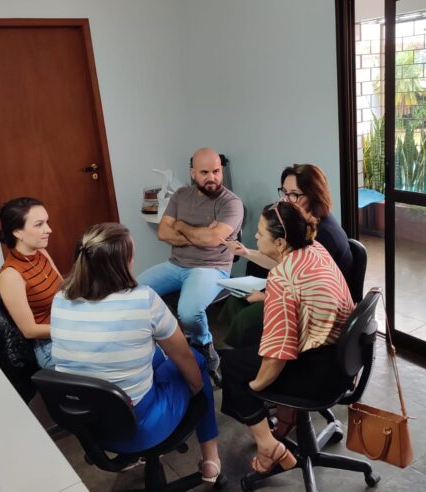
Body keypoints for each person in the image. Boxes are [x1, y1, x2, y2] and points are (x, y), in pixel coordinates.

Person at [50, 223, 222, 481]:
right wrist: (197, 394)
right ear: (122, 262)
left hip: (89, 426)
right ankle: (211, 457)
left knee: (152, 353)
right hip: (139, 428)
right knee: (195, 359)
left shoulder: (61, 296)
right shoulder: (143, 299)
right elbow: (183, 356)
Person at [219, 202, 354, 474]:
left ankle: (268, 446)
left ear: (280, 242)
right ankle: (276, 430)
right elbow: (281, 262)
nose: (255, 237)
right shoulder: (313, 249)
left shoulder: (282, 280)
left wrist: (255, 387)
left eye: (259, 233)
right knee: (250, 337)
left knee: (233, 368)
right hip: (342, 358)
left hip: (319, 375)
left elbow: (277, 358)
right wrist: (249, 253)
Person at [137, 147, 244, 383]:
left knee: (188, 312)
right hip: (175, 265)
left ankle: (205, 346)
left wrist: (183, 226)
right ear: (192, 173)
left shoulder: (232, 203)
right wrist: (202, 235)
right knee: (135, 292)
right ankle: (166, 345)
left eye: (216, 171)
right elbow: (164, 233)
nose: (212, 177)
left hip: (212, 267)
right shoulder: (180, 195)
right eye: (204, 172)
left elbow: (213, 240)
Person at [221, 163, 352, 348]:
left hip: (314, 314)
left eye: (294, 194)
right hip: (297, 293)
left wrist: (265, 298)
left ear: (314, 195)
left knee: (245, 317)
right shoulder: (304, 224)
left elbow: (308, 295)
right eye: (284, 192)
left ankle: (250, 356)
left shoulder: (322, 236)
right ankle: (247, 350)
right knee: (236, 300)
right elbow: (284, 262)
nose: (286, 200)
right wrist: (246, 252)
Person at [0, 197, 62, 368]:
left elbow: (63, 288)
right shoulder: (11, 275)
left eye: (47, 222)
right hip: (47, 346)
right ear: (18, 232)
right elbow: (29, 330)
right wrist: (73, 328)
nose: (49, 230)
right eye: (39, 225)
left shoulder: (40, 252)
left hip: (64, 324)